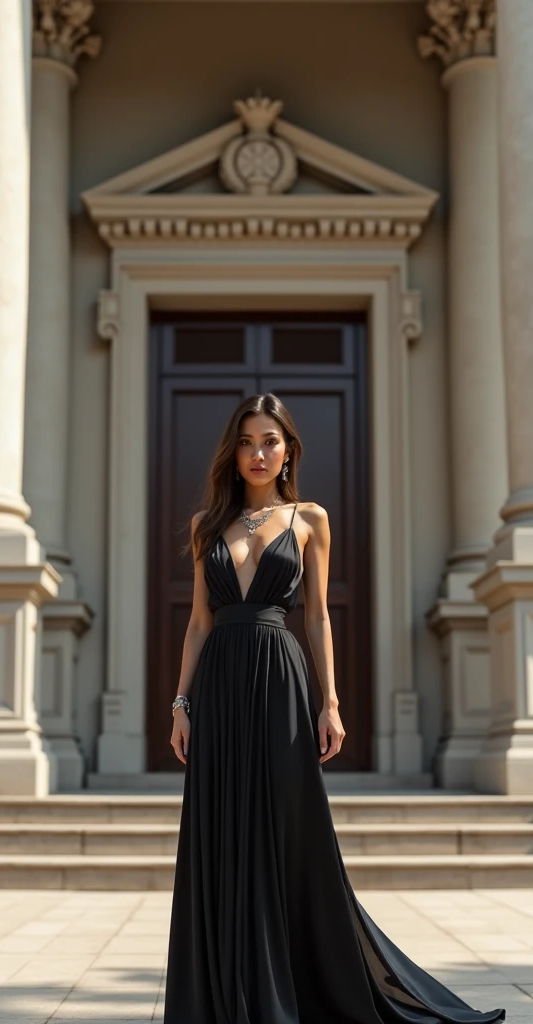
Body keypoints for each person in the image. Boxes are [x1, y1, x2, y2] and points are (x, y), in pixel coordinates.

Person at [163, 392, 505, 1024]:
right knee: (221, 829)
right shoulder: (206, 526)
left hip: (280, 683)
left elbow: (317, 617)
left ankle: (295, 982)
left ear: (289, 449)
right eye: (246, 442)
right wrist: (182, 703)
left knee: (290, 835)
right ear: (232, 453)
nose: (258, 453)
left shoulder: (309, 519)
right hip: (219, 686)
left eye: (270, 441)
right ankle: (222, 990)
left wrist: (332, 703)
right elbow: (197, 623)